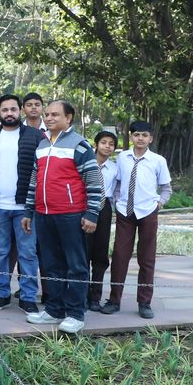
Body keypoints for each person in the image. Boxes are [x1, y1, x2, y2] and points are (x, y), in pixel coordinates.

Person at [22, 100, 104, 334]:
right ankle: (54, 309)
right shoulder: (42, 145)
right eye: (47, 114)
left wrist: (92, 213)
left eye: (55, 115)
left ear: (68, 118)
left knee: (76, 265)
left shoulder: (79, 145)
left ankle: (75, 313)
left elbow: (94, 181)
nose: (49, 118)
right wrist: (28, 210)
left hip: (71, 214)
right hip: (44, 214)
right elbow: (34, 181)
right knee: (51, 264)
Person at [0, 95, 43, 313]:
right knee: (0, 252)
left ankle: (28, 297)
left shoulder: (35, 137)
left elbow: (43, 170)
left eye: (13, 109)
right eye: (5, 110)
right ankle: (1, 294)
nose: (9, 113)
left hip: (25, 208)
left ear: (20, 111)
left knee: (27, 253)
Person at [101, 121, 172, 318]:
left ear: (151, 139)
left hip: (148, 212)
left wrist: (159, 204)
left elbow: (166, 188)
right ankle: (114, 300)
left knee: (147, 258)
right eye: (137, 134)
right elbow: (117, 183)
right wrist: (117, 201)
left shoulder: (158, 160)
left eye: (144, 135)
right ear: (131, 137)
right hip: (125, 212)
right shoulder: (122, 157)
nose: (140, 138)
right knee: (119, 256)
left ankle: (144, 302)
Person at [85, 130, 118, 314]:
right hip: (85, 207)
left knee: (100, 253)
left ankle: (95, 297)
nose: (107, 146)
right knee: (83, 252)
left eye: (111, 144)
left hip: (104, 208)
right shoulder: (86, 163)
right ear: (96, 145)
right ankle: (82, 294)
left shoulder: (114, 168)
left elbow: (117, 190)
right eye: (104, 142)